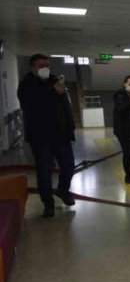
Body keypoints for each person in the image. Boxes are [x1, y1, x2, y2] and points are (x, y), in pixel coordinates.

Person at [17, 54, 76, 218]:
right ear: (33, 67)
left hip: (61, 134)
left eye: (48, 65)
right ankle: (48, 203)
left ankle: (63, 190)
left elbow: (64, 105)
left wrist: (70, 126)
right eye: (41, 65)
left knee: (68, 166)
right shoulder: (26, 85)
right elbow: (31, 104)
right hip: (41, 136)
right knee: (44, 171)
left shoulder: (55, 81)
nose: (45, 68)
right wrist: (53, 92)